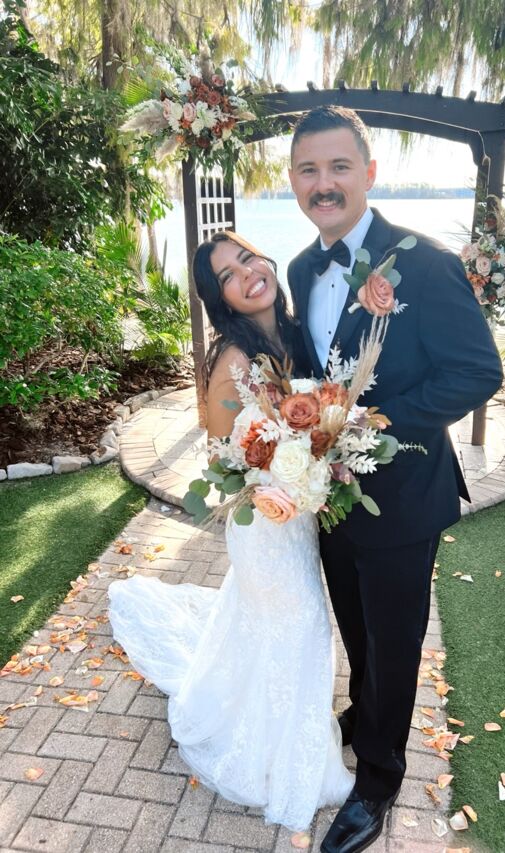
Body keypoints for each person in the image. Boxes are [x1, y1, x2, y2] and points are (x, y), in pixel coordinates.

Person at [287, 106, 503, 853]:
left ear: (369, 173)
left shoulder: (425, 263)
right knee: (357, 627)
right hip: (331, 498)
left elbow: (477, 371)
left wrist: (371, 424)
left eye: (338, 167)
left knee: (396, 641)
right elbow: (314, 367)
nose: (323, 184)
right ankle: (366, 713)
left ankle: (379, 779)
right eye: (308, 170)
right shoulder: (300, 268)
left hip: (404, 496)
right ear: (293, 180)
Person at [108, 231, 353, 832]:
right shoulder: (234, 360)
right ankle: (284, 758)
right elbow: (224, 458)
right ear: (222, 300)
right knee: (302, 624)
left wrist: (324, 458)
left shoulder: (293, 335)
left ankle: (282, 726)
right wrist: (286, 475)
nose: (247, 275)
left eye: (247, 259)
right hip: (266, 528)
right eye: (228, 277)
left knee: (282, 630)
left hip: (299, 521)